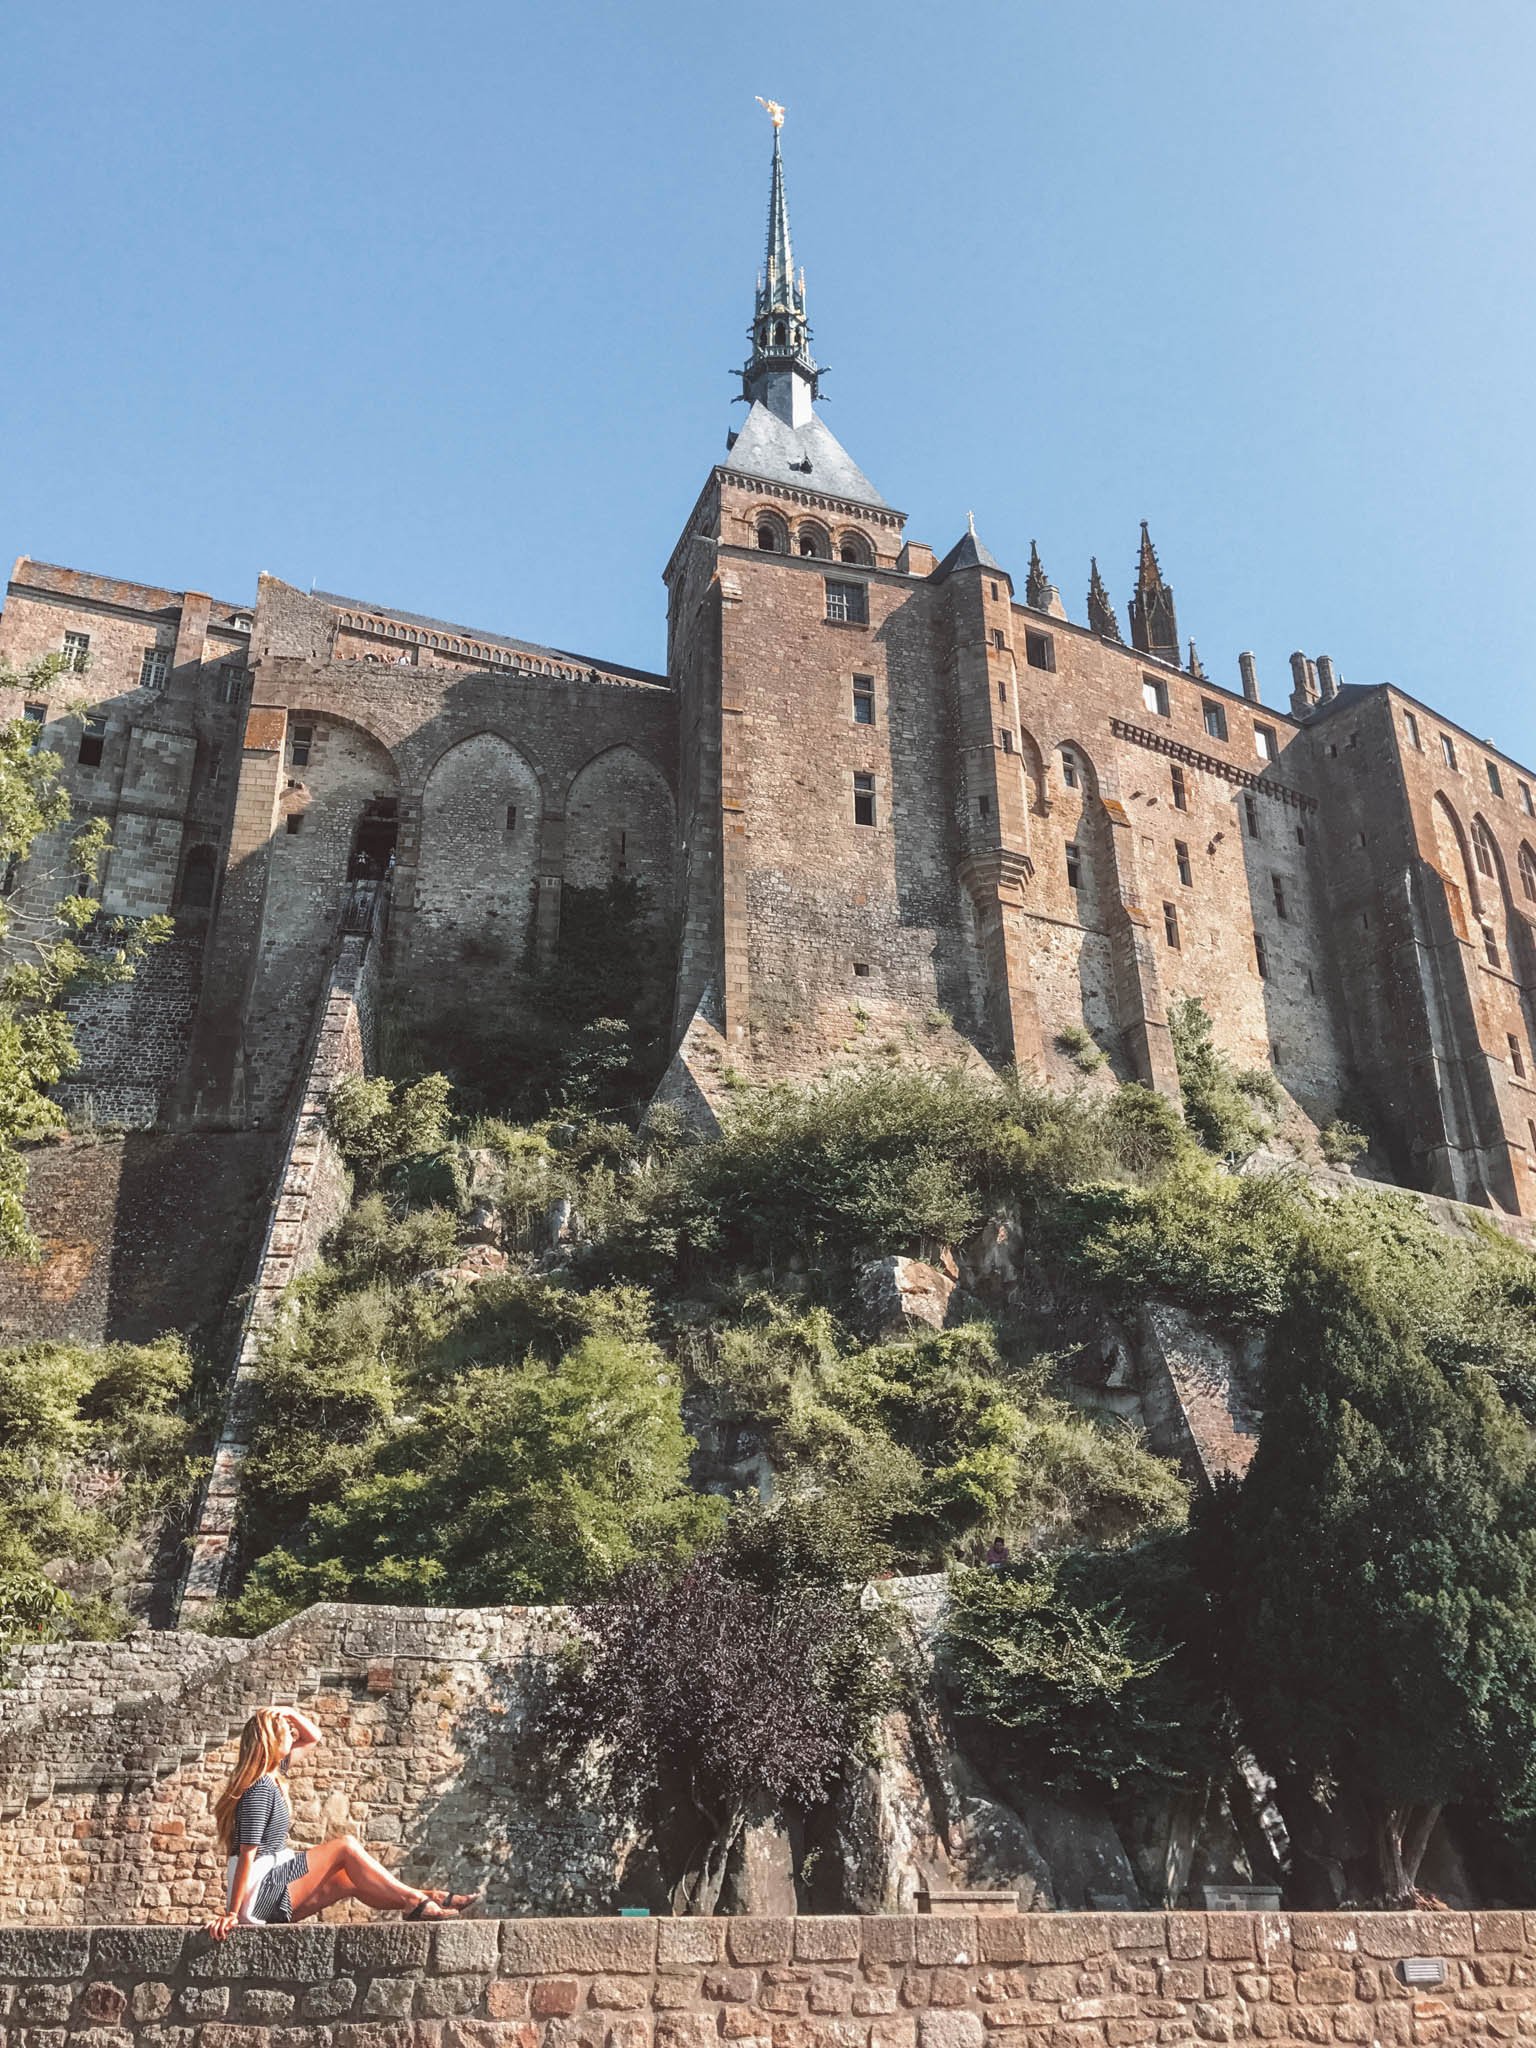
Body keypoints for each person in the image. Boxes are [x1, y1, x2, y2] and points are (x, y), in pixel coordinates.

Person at [206, 1707, 477, 1939]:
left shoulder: (275, 1774)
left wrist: (288, 1712)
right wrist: (232, 1913)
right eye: (286, 1729)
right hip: (260, 1892)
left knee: (349, 1880)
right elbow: (247, 1854)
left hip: (268, 1889)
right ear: (271, 1741)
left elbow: (314, 1737)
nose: (293, 1732)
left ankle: (424, 1898)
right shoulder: (261, 1787)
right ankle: (417, 1899)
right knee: (344, 1846)